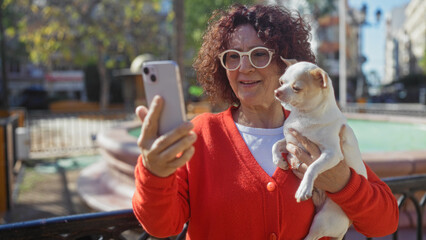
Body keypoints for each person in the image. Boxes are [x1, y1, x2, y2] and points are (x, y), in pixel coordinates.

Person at [132, 4, 399, 239]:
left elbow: (385, 223)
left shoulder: (320, 130)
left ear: (286, 64)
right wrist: (153, 172)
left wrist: (342, 183)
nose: (244, 68)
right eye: (233, 57)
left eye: (259, 54)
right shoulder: (202, 134)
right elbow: (162, 226)